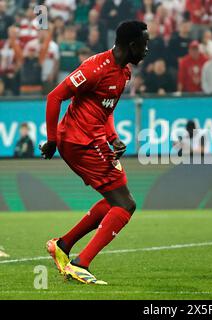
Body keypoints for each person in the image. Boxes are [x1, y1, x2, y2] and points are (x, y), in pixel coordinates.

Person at [40, 20, 149, 285]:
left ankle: (63, 245)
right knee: (126, 204)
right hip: (78, 142)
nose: (147, 50)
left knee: (117, 202)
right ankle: (80, 263)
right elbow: (54, 96)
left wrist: (113, 138)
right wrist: (52, 139)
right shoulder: (94, 68)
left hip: (94, 140)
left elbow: (105, 111)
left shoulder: (123, 73)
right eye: (144, 44)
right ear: (132, 45)